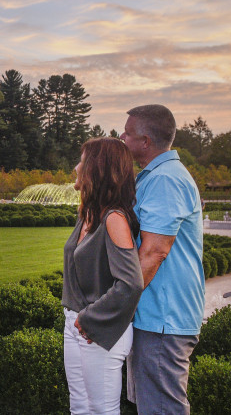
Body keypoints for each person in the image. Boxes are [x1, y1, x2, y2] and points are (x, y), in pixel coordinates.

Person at [119, 104, 204, 414]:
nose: (121, 138)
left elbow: (155, 252)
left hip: (163, 320)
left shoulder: (166, 180)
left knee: (162, 409)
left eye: (126, 134)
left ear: (145, 141)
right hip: (154, 317)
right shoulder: (155, 176)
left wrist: (116, 305)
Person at [62, 137, 144, 415]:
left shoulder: (114, 219)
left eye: (82, 161)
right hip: (75, 324)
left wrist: (89, 318)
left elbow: (131, 283)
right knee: (80, 407)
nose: (76, 167)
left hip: (100, 329)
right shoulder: (87, 214)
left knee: (101, 411)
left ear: (97, 169)